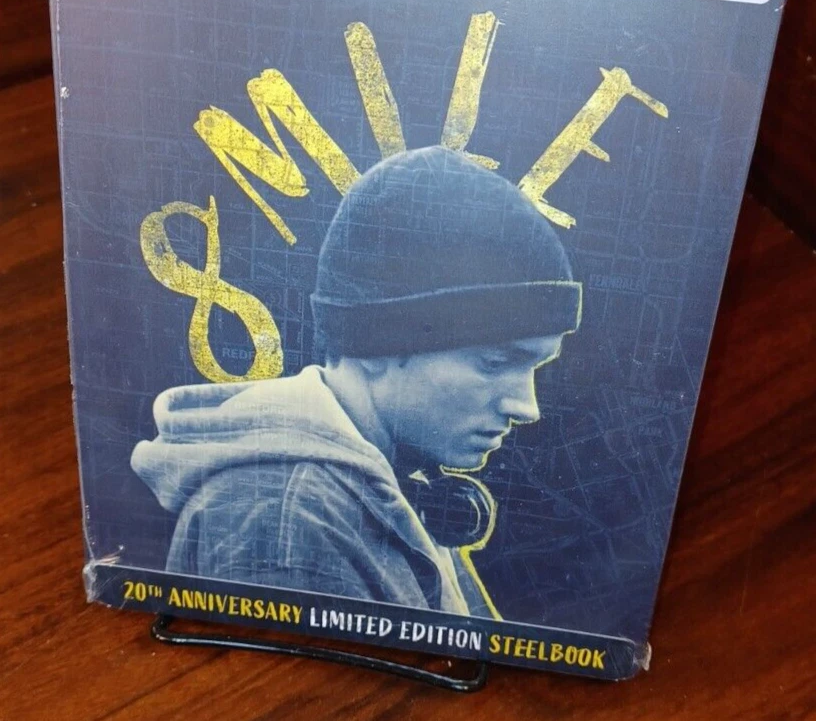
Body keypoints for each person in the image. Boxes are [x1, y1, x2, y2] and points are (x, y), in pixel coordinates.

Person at [132, 146, 582, 618]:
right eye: (494, 362)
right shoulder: (288, 522)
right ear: (380, 346)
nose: (527, 406)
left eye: (536, 367)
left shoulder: (386, 480)